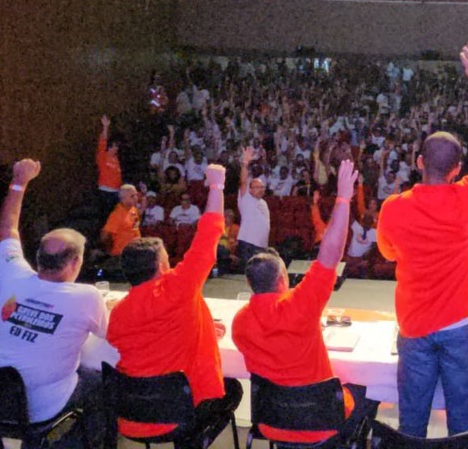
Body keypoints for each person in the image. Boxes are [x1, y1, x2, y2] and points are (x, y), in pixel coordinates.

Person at [377, 43, 468, 438]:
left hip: (415, 326)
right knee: (463, 427)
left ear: (419, 162)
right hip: (461, 325)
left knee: (412, 425)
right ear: (457, 169)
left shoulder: (393, 209)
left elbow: (388, 252)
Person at [232, 160, 379, 444]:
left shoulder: (240, 323)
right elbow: (331, 253)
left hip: (271, 422)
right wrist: (343, 197)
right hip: (321, 423)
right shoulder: (300, 305)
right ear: (283, 281)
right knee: (367, 390)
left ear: (250, 285)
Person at [107, 163, 242, 439]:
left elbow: (155, 336)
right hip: (178, 414)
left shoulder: (118, 312)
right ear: (160, 266)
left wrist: (201, 326)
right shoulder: (178, 287)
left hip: (133, 415)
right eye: (167, 258)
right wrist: (216, 186)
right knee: (234, 389)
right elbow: (209, 233)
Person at [0, 159, 107, 448]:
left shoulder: (12, 273)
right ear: (76, 263)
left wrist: (19, 182)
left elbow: (7, 229)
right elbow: (112, 334)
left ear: (37, 257)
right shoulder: (87, 297)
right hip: (38, 411)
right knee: (102, 383)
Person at [237, 146, 271, 268]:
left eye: (262, 187)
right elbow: (243, 181)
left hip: (261, 245)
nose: (261, 189)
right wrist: (245, 163)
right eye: (257, 187)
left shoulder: (264, 203)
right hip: (248, 244)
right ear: (250, 190)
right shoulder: (246, 198)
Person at [100, 184, 146, 258]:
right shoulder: (117, 214)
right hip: (121, 255)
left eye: (136, 195)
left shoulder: (133, 209)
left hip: (135, 252)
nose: (136, 198)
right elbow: (105, 235)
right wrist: (110, 251)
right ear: (123, 199)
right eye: (132, 196)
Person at [96, 115, 123, 217]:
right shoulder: (103, 156)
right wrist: (105, 127)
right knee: (104, 216)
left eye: (117, 147)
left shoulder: (117, 160)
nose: (116, 149)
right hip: (105, 191)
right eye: (114, 147)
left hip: (115, 192)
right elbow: (103, 140)